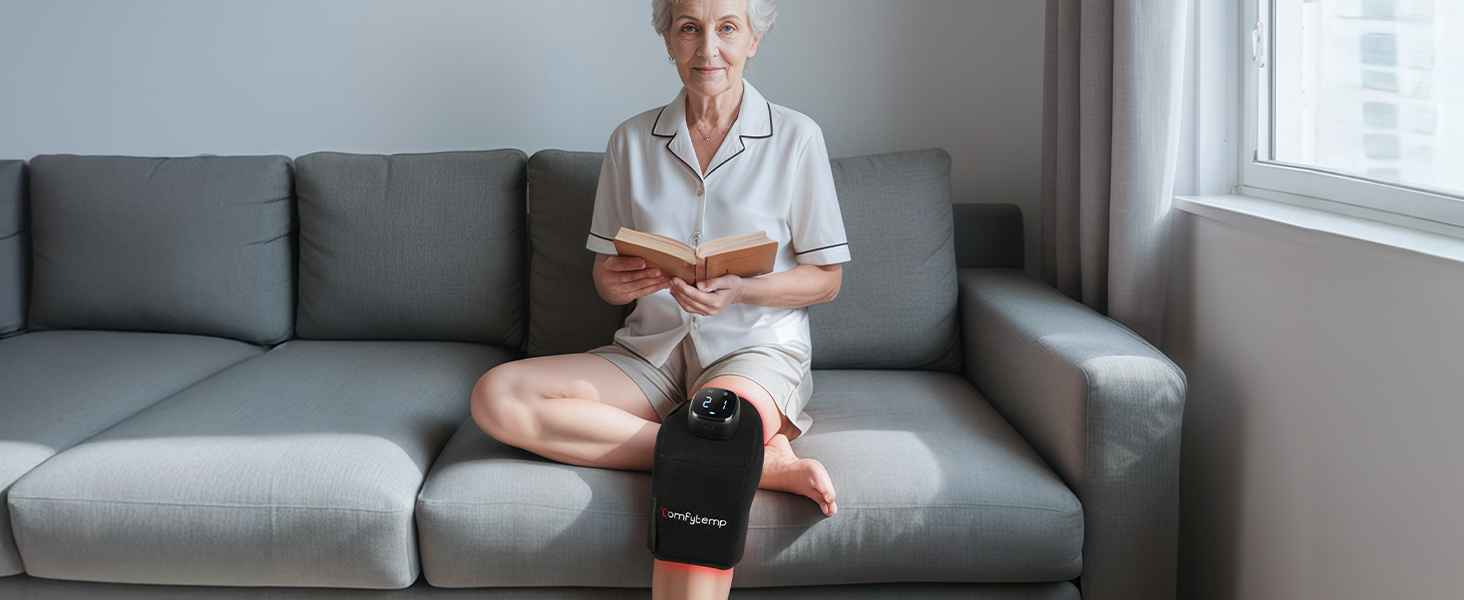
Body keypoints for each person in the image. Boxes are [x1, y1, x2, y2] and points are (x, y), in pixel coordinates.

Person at [470, 0, 848, 597]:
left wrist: (743, 290)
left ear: (753, 40)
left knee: (713, 432)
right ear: (669, 40)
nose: (707, 48)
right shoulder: (630, 140)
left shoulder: (797, 137)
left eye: (727, 28)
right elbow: (605, 273)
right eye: (689, 28)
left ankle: (726, 449)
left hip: (753, 351)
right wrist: (615, 281)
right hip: (650, 351)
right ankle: (750, 459)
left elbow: (826, 278)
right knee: (497, 395)